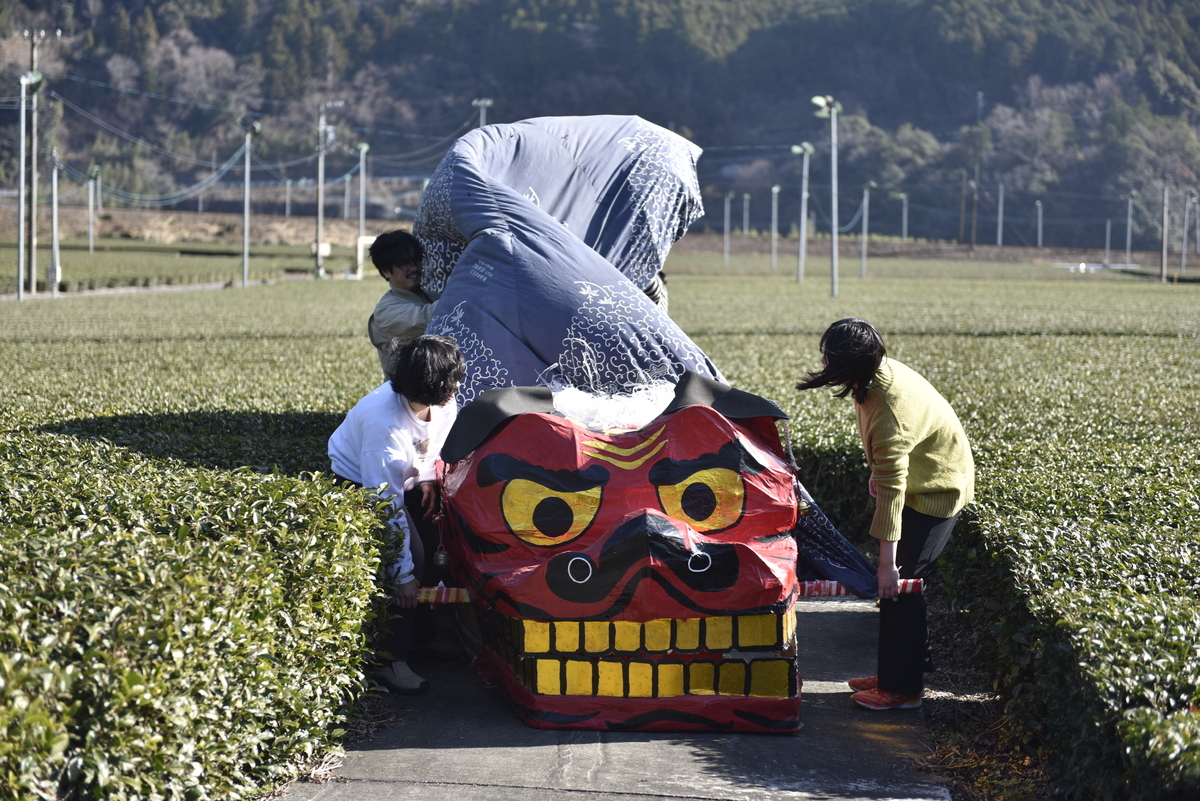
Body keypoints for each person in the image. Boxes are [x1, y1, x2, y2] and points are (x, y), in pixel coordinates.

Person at [796, 318, 974, 711]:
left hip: (937, 489)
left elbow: (893, 493)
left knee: (902, 584)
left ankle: (903, 690)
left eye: (829, 356)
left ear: (848, 364)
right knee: (898, 587)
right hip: (919, 477)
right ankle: (896, 671)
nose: (822, 360)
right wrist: (880, 472)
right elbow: (890, 468)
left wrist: (886, 565)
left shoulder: (888, 406)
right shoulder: (872, 379)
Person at [328, 334, 466, 694]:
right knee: (412, 561)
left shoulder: (443, 401)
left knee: (442, 547)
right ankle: (390, 661)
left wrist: (426, 479)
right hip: (361, 482)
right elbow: (384, 502)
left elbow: (433, 443)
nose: (457, 388)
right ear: (431, 384)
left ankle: (428, 640)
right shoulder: (382, 422)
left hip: (405, 478)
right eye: (452, 381)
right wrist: (402, 574)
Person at [367, 230, 439, 376]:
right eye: (404, 263)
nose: (414, 268)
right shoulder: (385, 311)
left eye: (417, 260)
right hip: (406, 396)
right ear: (386, 271)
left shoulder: (428, 293)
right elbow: (433, 317)